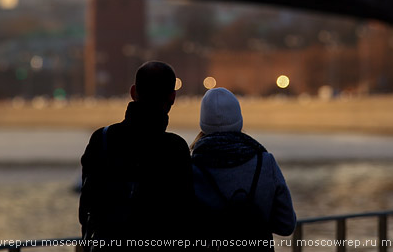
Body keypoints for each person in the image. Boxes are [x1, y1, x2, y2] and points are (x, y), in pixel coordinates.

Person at [79, 61, 194, 250]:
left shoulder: (103, 139)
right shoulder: (175, 148)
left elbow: (87, 204)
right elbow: (185, 213)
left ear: (133, 92)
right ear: (172, 97)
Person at [190, 87, 296, 250]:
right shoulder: (264, 162)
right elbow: (286, 225)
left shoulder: (191, 167)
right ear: (239, 119)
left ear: (203, 123)